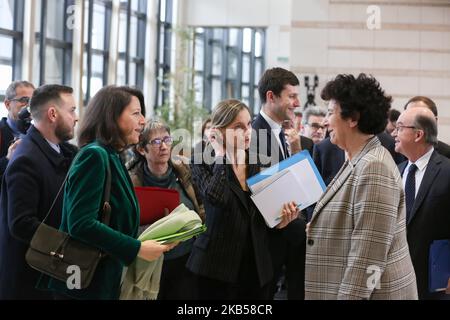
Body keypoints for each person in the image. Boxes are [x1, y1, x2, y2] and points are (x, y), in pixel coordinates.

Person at [45, 86, 177, 300]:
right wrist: (137, 248)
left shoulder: (113, 156)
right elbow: (81, 223)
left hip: (100, 280)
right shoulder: (95, 156)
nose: (143, 121)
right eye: (136, 113)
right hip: (83, 285)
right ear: (112, 116)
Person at [306, 74, 418, 300]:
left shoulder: (373, 167)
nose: (325, 121)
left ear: (353, 118)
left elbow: (369, 259)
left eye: (330, 112)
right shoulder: (357, 158)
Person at [188, 99, 299, 299]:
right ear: (219, 131)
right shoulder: (202, 157)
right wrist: (222, 155)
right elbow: (216, 198)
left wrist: (280, 221)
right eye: (238, 127)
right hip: (215, 267)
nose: (248, 131)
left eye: (249, 124)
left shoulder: (259, 159)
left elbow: (264, 214)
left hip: (256, 266)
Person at [0, 84, 78, 299]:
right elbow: (21, 223)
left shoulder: (65, 152)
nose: (76, 117)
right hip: (31, 282)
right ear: (52, 114)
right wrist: (72, 246)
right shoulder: (26, 158)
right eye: (71, 110)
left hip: (50, 272)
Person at [127, 119, 205, 300]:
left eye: (167, 140)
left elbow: (201, 206)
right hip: (148, 262)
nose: (163, 146)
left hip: (186, 258)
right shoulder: (130, 180)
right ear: (141, 149)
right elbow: (125, 224)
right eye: (155, 142)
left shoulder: (185, 172)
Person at [252, 67, 307, 299]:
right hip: (266, 246)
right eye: (291, 96)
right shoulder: (254, 136)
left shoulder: (286, 133)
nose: (296, 103)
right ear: (271, 97)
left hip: (289, 240)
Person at [392, 106, 450, 300]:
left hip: (436, 282)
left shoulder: (447, 171)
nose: (394, 132)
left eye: (400, 127)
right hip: (395, 280)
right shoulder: (395, 171)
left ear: (418, 134)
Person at [0, 81, 35, 179]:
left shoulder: (40, 133)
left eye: (32, 101)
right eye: (24, 100)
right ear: (7, 104)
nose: (29, 105)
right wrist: (7, 159)